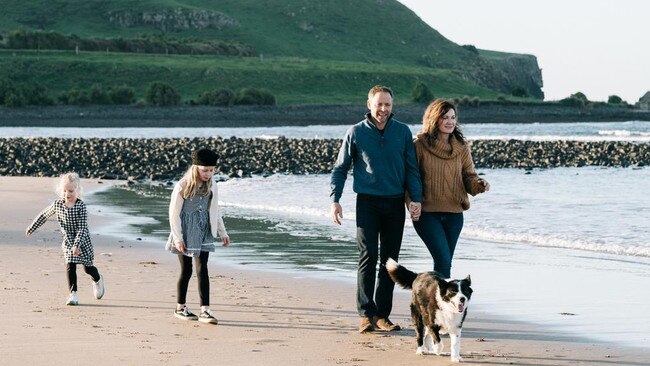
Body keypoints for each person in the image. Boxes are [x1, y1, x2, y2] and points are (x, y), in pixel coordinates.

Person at [330, 85, 423, 333]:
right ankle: (365, 314)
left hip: (394, 204)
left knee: (389, 262)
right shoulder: (356, 132)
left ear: (392, 106)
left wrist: (416, 199)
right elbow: (340, 169)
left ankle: (382, 315)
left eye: (388, 105)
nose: (383, 109)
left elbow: (412, 169)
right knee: (368, 256)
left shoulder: (402, 132)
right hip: (367, 203)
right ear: (369, 104)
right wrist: (335, 199)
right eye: (379, 104)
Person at [410, 99, 490, 278]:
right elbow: (411, 178)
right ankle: (442, 302)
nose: (450, 121)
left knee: (444, 263)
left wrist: (479, 185)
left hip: (454, 215)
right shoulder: (419, 146)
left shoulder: (461, 147)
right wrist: (411, 202)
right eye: (445, 117)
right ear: (434, 119)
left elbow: (469, 176)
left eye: (453, 117)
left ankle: (437, 301)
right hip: (427, 214)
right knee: (443, 261)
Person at [166, 148, 230, 325]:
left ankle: (205, 310)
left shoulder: (212, 185)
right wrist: (178, 238)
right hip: (185, 232)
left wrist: (222, 232)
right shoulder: (183, 185)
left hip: (204, 231)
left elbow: (215, 211)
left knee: (203, 269)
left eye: (211, 170)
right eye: (205, 170)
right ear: (195, 168)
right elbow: (173, 214)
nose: (208, 174)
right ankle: (180, 308)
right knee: (186, 270)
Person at [26, 172, 105, 306]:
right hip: (68, 241)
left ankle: (97, 279)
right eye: (64, 190)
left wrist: (77, 245)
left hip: (82, 241)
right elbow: (44, 215)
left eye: (71, 191)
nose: (67, 194)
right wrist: (32, 227)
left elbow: (82, 228)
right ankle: (73, 294)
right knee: (70, 265)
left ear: (77, 190)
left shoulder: (81, 206)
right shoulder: (57, 204)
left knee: (88, 268)